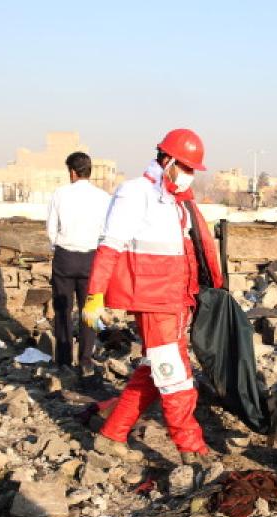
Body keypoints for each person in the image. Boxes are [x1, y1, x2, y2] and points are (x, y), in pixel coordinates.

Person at [82, 129, 224, 465]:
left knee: (152, 370)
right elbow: (110, 245)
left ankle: (111, 434)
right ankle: (191, 449)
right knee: (175, 376)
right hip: (154, 301)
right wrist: (94, 294)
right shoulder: (136, 194)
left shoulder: (175, 201)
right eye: (187, 167)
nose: (190, 175)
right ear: (169, 160)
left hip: (174, 301)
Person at [47, 151, 111, 374]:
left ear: (72, 172)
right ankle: (85, 360)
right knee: (89, 311)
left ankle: (63, 361)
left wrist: (60, 246)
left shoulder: (60, 194)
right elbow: (107, 232)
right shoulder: (103, 198)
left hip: (65, 257)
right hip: (91, 259)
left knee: (62, 310)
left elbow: (51, 229)